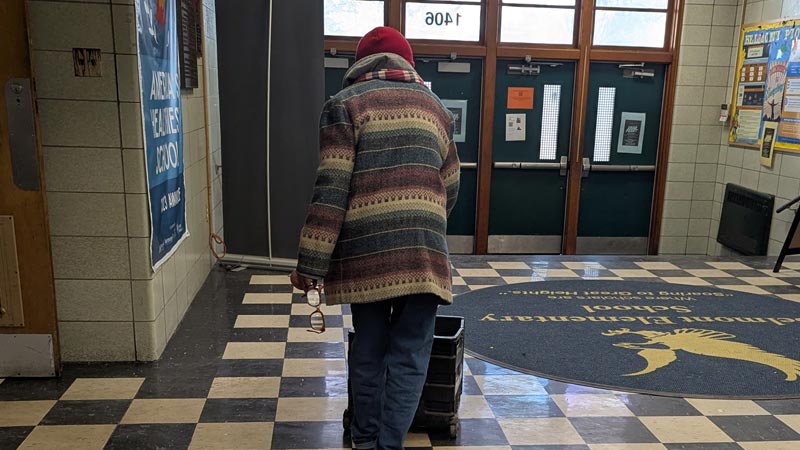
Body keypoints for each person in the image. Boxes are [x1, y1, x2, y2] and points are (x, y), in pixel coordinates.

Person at [290, 26, 460, 450]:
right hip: (423, 253)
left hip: (366, 254)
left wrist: (310, 264)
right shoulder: (437, 109)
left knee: (368, 349)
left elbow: (331, 189)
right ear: (407, 63)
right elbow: (451, 185)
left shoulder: (344, 105)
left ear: (360, 64)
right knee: (410, 355)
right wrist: (423, 223)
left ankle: (365, 444)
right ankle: (389, 446)